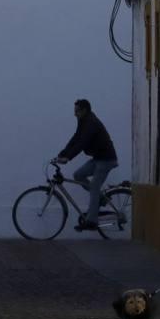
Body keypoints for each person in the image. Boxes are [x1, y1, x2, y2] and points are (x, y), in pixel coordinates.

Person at [52, 99, 119, 231]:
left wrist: (68, 158)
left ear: (84, 110)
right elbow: (76, 137)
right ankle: (100, 198)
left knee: (94, 186)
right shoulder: (83, 121)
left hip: (107, 160)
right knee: (78, 175)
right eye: (74, 111)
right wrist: (62, 153)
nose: (75, 114)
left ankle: (91, 221)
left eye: (77, 111)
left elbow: (82, 142)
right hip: (98, 158)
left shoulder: (91, 123)